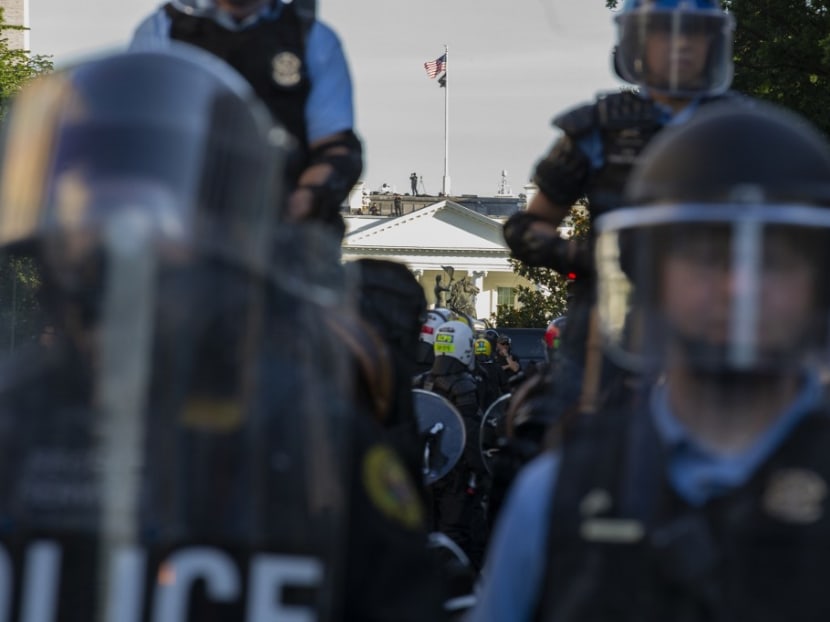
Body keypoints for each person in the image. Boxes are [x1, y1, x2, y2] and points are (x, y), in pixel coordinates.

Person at [0, 45, 447, 622]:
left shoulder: (313, 442)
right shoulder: (12, 419)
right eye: (98, 190)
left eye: (159, 198)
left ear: (224, 224)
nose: (126, 226)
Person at [470, 101, 830, 621]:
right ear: (653, 276)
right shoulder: (553, 496)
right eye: (708, 255)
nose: (738, 287)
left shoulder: (559, 490)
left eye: (771, 259)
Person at [502, 0, 744, 420]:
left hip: (715, 317)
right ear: (638, 42)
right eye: (665, 33)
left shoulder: (745, 130)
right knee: (547, 432)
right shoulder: (598, 129)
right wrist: (589, 256)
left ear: (712, 44)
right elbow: (527, 227)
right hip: (607, 318)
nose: (680, 46)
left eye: (692, 34)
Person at [130, 0, 363, 232]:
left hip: (278, 230)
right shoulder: (164, 29)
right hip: (180, 226)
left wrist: (305, 200)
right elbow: (134, 137)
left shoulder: (309, 36)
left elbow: (335, 149)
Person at [413, 320, 489, 570]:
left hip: (423, 471)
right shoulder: (463, 385)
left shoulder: (420, 381)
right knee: (457, 536)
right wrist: (484, 471)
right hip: (454, 473)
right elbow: (470, 434)